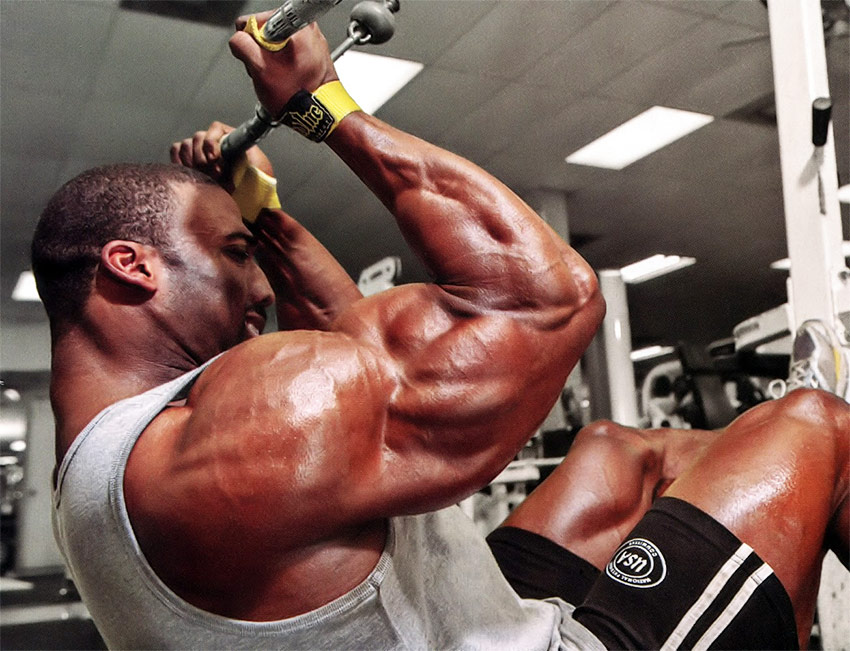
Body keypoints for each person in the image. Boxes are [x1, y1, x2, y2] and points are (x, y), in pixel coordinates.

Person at [36, 12, 847, 650]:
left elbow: (342, 338)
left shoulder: (111, 468)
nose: (256, 288)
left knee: (614, 451)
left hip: (453, 621)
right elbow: (548, 297)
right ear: (131, 266)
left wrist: (266, 218)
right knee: (816, 424)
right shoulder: (216, 445)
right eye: (235, 255)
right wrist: (321, 105)